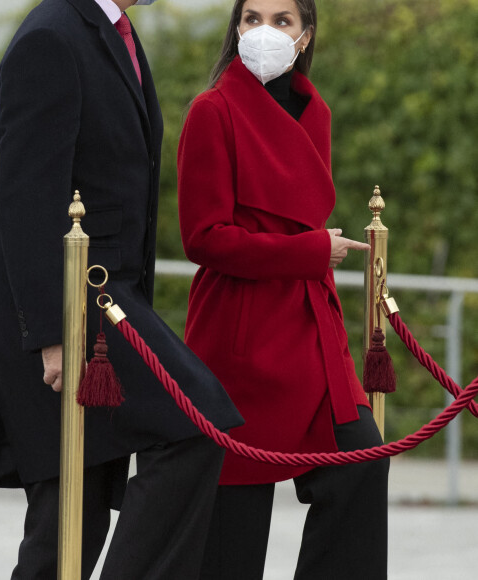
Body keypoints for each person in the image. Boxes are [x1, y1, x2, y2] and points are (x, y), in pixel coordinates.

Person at [0, 1, 242, 578]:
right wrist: (51, 332)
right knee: (195, 426)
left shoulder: (114, 32)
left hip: (111, 299)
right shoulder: (51, 38)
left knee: (75, 522)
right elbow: (24, 200)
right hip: (73, 311)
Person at [177, 0, 390, 578]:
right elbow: (203, 238)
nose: (264, 31)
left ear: (305, 35)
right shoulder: (211, 111)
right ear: (236, 29)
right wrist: (311, 250)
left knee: (361, 465)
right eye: (251, 19)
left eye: (282, 20)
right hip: (240, 331)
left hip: (311, 328)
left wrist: (311, 253)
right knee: (234, 518)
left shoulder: (313, 110)